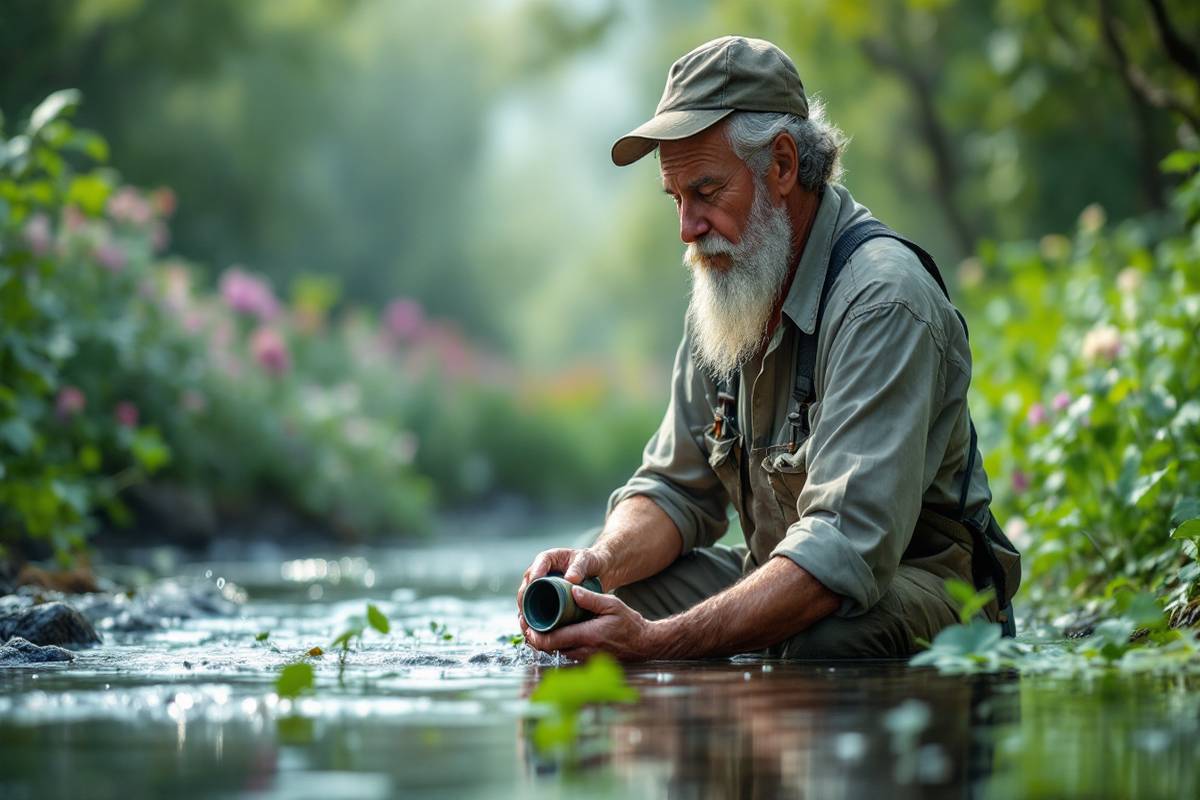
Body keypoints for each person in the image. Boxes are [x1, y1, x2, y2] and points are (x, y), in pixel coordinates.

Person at [517, 35, 1020, 662]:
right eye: (676, 199)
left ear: (782, 165)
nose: (687, 229)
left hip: (926, 590)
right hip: (785, 571)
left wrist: (656, 645)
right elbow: (674, 489)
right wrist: (598, 562)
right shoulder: (730, 287)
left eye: (705, 191)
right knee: (592, 617)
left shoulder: (884, 301)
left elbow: (840, 555)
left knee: (821, 640)